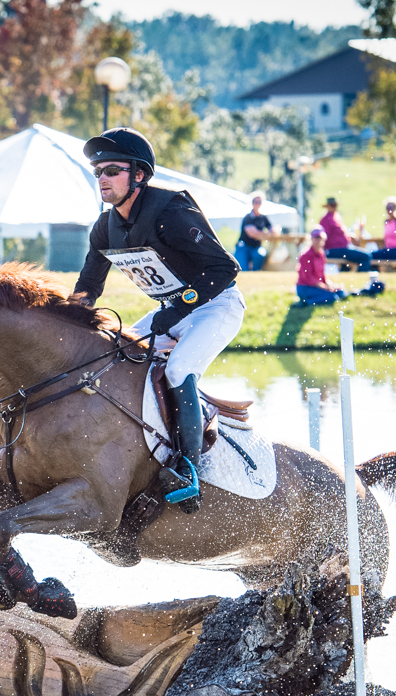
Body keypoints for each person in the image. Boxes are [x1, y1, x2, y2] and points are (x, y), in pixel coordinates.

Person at [72, 127, 243, 512]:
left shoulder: (171, 212)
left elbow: (225, 269)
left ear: (139, 174)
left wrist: (178, 309)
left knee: (179, 369)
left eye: (111, 170)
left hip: (216, 306)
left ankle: (188, 469)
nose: (102, 179)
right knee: (115, 356)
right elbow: (88, 287)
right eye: (97, 172)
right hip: (172, 311)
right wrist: (66, 323)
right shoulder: (105, 227)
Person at [296, 227, 347, 305]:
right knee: (332, 297)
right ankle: (306, 302)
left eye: (320, 238)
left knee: (341, 292)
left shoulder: (321, 254)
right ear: (311, 239)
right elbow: (309, 278)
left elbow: (322, 275)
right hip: (306, 287)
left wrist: (330, 285)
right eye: (316, 238)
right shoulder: (305, 255)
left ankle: (309, 300)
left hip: (318, 286)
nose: (318, 241)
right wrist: (325, 288)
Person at [320, 196, 371, 271]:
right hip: (333, 250)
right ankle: (362, 275)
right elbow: (322, 236)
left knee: (348, 264)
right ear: (327, 207)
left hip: (342, 248)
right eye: (332, 205)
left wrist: (349, 237)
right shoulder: (325, 220)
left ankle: (346, 272)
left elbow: (339, 234)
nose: (334, 207)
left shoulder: (336, 216)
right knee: (365, 256)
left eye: (335, 205)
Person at [234, 193, 272, 271]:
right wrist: (265, 234)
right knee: (243, 268)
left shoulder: (263, 218)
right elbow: (252, 234)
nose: (257, 204)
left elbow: (273, 230)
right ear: (252, 203)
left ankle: (256, 271)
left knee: (260, 255)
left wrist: (259, 233)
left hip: (256, 247)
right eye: (256, 202)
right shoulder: (248, 218)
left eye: (259, 202)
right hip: (244, 246)